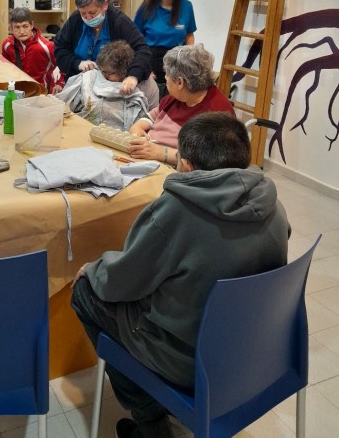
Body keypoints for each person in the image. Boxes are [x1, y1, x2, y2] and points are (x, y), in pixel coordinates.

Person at [71, 112, 290, 438]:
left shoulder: (177, 210)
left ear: (185, 165)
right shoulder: (274, 204)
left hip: (189, 360)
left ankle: (150, 423)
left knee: (85, 291)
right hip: (254, 349)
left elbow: (122, 282)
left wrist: (93, 268)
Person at [128, 44, 234, 166]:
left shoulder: (217, 113)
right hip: (148, 158)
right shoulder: (176, 98)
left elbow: (206, 158)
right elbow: (150, 117)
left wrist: (162, 153)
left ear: (180, 82)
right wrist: (137, 128)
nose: (165, 79)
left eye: (167, 75)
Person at [55, 0, 152, 96]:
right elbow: (59, 49)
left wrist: (133, 76)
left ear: (105, 4)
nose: (88, 18)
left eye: (92, 12)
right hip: (78, 84)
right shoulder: (75, 20)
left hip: (112, 88)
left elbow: (143, 50)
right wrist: (77, 63)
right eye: (83, 13)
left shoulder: (119, 22)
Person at [55, 41, 158, 130]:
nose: (104, 76)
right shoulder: (90, 77)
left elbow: (150, 119)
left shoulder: (146, 86)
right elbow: (67, 105)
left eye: (109, 73)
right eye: (102, 71)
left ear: (124, 72)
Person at [134, 0, 196, 99]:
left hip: (176, 62)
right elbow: (135, 40)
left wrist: (189, 59)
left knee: (173, 102)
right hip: (151, 61)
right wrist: (143, 67)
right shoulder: (146, 8)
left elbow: (189, 35)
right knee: (151, 103)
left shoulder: (186, 7)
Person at [1, 7, 64, 94]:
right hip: (17, 92)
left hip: (42, 93)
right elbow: (5, 69)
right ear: (10, 29)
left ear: (32, 25)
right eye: (17, 27)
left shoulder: (47, 46)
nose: (22, 31)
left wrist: (60, 83)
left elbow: (65, 66)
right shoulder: (7, 45)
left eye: (25, 26)